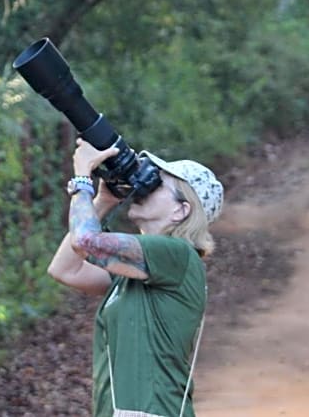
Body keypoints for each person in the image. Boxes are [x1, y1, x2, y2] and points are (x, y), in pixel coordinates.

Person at [48, 138, 224, 417]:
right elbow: (65, 269)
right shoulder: (134, 274)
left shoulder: (178, 255)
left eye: (157, 183)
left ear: (181, 210)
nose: (144, 186)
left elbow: (84, 241)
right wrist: (103, 201)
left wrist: (82, 180)